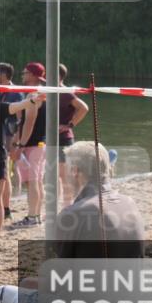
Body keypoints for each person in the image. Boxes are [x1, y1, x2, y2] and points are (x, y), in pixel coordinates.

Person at [0, 141, 145, 303]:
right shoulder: (129, 204)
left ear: (75, 171)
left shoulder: (73, 215)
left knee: (1, 294)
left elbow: (57, 281)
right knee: (27, 286)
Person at [8, 62, 48, 228]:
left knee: (32, 182)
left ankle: (32, 217)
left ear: (32, 75)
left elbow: (29, 121)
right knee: (37, 181)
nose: (22, 75)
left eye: (24, 73)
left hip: (32, 144)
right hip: (41, 143)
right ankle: (36, 215)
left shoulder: (33, 94)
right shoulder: (44, 92)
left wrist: (21, 145)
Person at [55, 64, 89, 204]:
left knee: (65, 176)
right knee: (55, 175)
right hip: (51, 138)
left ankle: (68, 206)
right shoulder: (50, 91)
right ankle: (58, 204)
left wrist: (69, 125)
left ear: (58, 76)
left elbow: (84, 108)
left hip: (64, 139)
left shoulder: (65, 93)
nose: (45, 77)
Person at [0, 62, 21, 225]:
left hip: (8, 136)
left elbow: (20, 118)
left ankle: (6, 209)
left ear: (4, 74)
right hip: (2, 134)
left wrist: (16, 141)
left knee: (5, 175)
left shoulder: (15, 92)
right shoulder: (0, 90)